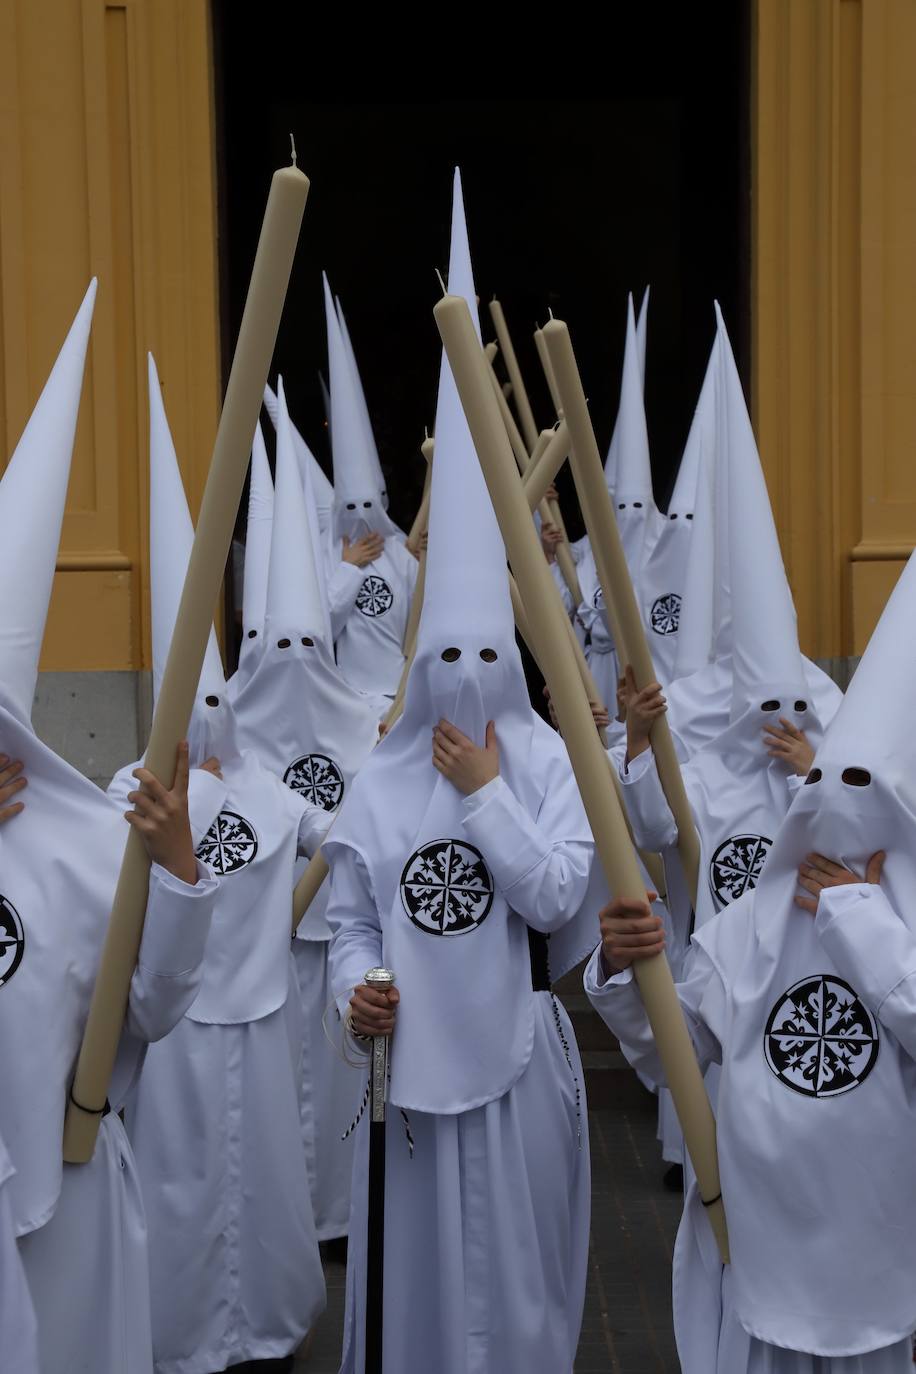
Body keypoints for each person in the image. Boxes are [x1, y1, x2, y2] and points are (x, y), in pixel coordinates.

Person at [325, 168, 595, 1374]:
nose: (473, 670)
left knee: (520, 1294)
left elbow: (551, 902)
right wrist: (359, 991)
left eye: (494, 652)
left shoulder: (548, 769)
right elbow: (346, 925)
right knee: (424, 1307)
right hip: (409, 1085)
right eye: (450, 653)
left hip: (522, 1069)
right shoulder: (379, 786)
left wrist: (486, 790)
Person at [586, 539, 916, 1372]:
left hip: (880, 1250)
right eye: (825, 790)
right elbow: (676, 1055)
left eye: (862, 791)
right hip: (755, 1239)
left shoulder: (901, 921)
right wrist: (628, 975)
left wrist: (858, 918)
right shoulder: (744, 930)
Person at [119, 359, 327, 1374]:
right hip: (173, 1037)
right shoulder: (129, 790)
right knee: (185, 1186)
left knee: (263, 1181)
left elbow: (358, 836)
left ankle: (269, 1326)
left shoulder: (281, 794)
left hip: (265, 1014)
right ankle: (186, 1336)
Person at [322, 275, 418, 697]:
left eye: (368, 504)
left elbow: (425, 621)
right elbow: (317, 626)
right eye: (351, 506)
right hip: (345, 696)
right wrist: (348, 567)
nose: (361, 515)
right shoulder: (324, 555)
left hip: (399, 697)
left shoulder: (403, 555)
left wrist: (427, 563)